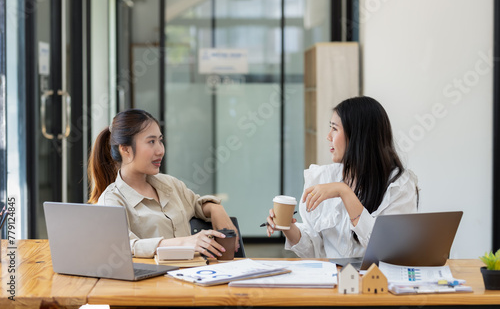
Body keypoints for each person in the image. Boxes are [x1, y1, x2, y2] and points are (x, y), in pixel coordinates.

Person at [266, 96, 419, 258]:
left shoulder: (399, 184)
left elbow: (387, 248)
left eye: (335, 128)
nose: (328, 136)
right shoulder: (321, 177)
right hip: (331, 278)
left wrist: (344, 192)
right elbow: (313, 251)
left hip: (375, 279)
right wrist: (288, 227)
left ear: (358, 136)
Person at [88, 109, 239, 259]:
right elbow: (124, 246)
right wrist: (184, 243)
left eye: (160, 140)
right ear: (125, 149)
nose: (160, 150)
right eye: (151, 142)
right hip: (151, 282)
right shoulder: (112, 200)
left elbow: (196, 204)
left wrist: (216, 208)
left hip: (193, 276)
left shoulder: (169, 184)